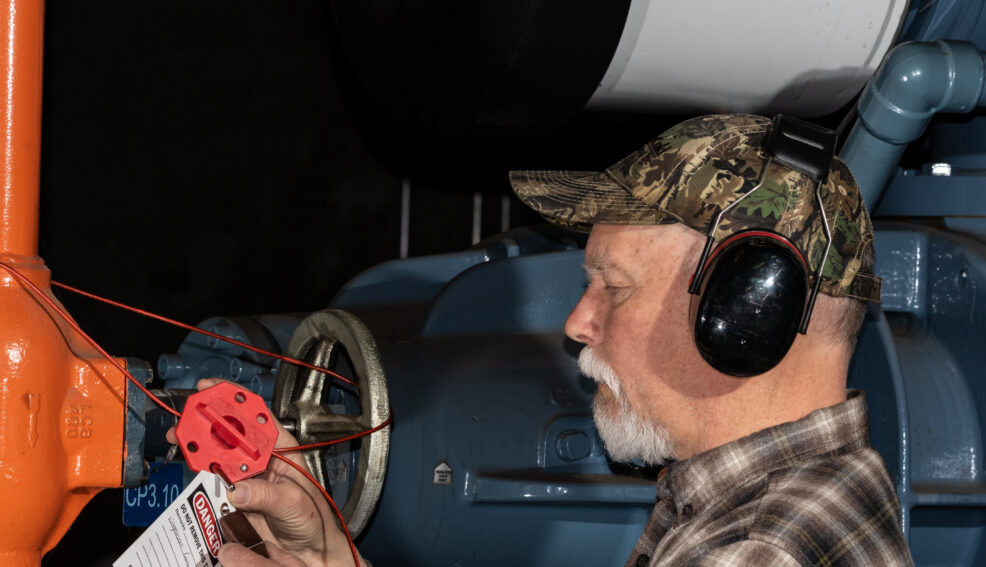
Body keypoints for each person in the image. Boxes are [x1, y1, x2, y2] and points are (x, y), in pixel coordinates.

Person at [193, 114, 915, 566]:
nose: (579, 321)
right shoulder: (755, 505)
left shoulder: (761, 552)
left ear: (743, 311)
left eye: (614, 285)